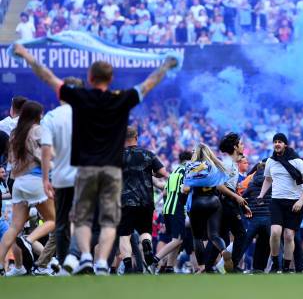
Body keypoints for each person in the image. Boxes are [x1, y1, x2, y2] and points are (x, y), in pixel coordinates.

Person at [12, 43, 178, 275]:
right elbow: (148, 85)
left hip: (86, 168)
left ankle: (86, 256)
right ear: (110, 79)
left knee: (81, 217)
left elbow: (47, 76)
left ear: (90, 78)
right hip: (111, 170)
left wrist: (26, 54)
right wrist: (166, 65)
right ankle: (101, 262)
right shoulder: (122, 98)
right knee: (109, 221)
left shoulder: (79, 97)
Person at [0, 101, 56, 276]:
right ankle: (29, 240)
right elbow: (48, 154)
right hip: (36, 180)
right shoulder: (38, 130)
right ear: (37, 115)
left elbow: (11, 161)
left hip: (18, 183)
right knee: (53, 220)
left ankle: (1, 265)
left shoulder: (15, 134)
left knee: (14, 227)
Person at [40, 77, 84, 269]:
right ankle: (78, 258)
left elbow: (46, 150)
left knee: (61, 222)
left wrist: (45, 178)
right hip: (86, 175)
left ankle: (65, 260)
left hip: (61, 176)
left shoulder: (51, 116)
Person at [258, 133, 303, 273]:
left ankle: (286, 267)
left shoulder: (297, 161)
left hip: (294, 203)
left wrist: (301, 200)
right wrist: (261, 195)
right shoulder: (270, 161)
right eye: (275, 141)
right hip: (276, 201)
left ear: (285, 144)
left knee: (288, 236)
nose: (277, 144)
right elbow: (268, 179)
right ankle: (276, 263)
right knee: (275, 232)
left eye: (280, 141)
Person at [117, 126, 168, 274]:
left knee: (124, 235)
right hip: (146, 201)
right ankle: (146, 243)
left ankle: (127, 266)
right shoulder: (148, 154)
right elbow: (163, 172)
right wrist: (154, 175)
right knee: (145, 231)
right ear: (136, 137)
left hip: (125, 201)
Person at [184, 143, 235, 273]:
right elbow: (223, 180)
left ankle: (201, 267)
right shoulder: (213, 165)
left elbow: (186, 189)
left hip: (197, 202)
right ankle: (224, 251)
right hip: (214, 202)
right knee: (214, 235)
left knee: (197, 237)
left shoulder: (190, 165)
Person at [204, 132, 248, 272]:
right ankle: (232, 267)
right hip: (226, 202)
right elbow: (219, 185)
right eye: (241, 144)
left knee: (222, 236)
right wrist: (236, 197)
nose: (243, 146)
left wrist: (241, 203)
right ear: (235, 147)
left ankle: (209, 267)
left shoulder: (232, 163)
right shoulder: (228, 163)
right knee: (241, 234)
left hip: (227, 202)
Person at [152, 151, 192, 273]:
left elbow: (164, 192)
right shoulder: (188, 170)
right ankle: (155, 259)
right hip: (177, 209)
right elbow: (185, 189)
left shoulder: (174, 172)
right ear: (189, 160)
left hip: (167, 209)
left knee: (177, 240)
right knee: (178, 240)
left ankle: (170, 267)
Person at [242, 159, 272, 273]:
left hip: (253, 218)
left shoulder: (251, 181)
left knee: (245, 243)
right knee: (270, 243)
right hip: (268, 217)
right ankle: (277, 267)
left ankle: (234, 264)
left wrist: (246, 210)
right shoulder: (273, 182)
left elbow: (242, 197)